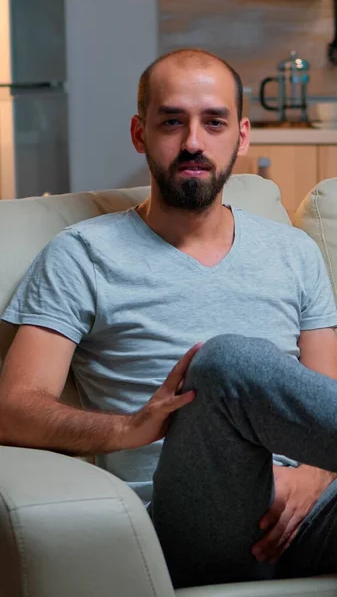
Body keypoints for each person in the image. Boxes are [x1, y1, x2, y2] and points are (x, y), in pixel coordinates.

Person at [1, 47, 337, 588]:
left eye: (214, 122)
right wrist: (128, 428)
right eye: (172, 122)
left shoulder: (293, 252)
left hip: (308, 511)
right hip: (192, 522)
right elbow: (13, 409)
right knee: (224, 362)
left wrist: (313, 478)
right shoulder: (82, 254)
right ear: (140, 134)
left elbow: (321, 403)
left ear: (243, 136)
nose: (194, 143)